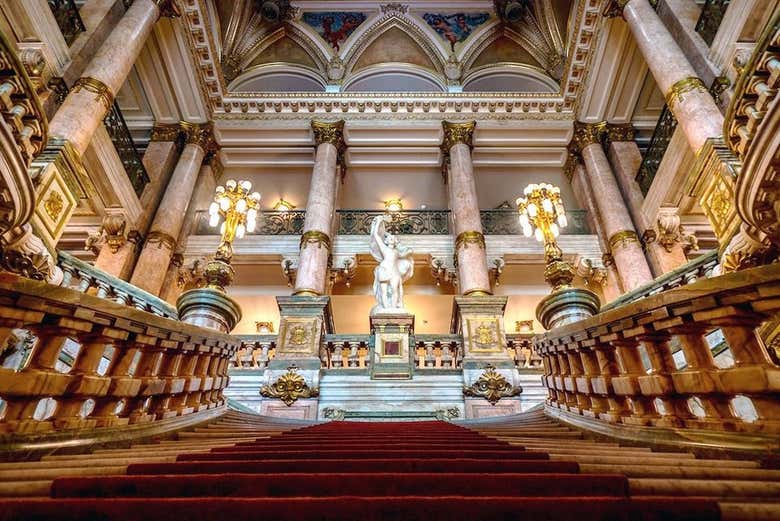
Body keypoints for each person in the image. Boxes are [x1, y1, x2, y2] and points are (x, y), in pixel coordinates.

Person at [370, 215, 414, 313]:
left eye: (393, 238)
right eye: (390, 238)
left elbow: (405, 253)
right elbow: (376, 236)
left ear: (395, 241)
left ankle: (393, 309)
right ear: (386, 241)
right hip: (384, 270)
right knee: (384, 291)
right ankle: (386, 309)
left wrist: (409, 252)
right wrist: (379, 221)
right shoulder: (384, 248)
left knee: (395, 291)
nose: (391, 238)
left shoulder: (397, 252)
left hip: (395, 272)